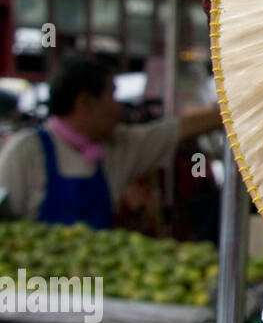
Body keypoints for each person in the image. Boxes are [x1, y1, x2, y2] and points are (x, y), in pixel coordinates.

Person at [0, 57, 223, 228]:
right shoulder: (25, 151)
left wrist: (235, 110)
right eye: (113, 95)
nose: (120, 107)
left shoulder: (118, 147)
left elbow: (175, 129)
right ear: (86, 102)